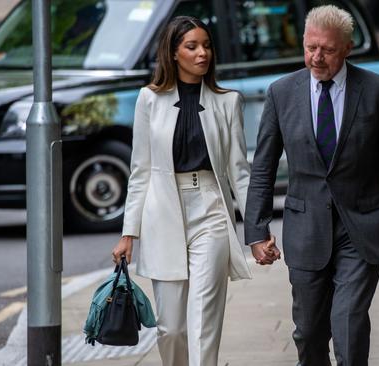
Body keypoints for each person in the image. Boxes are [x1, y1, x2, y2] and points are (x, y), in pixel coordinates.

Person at [244, 5, 379, 366]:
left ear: (347, 48)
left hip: (361, 227)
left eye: (328, 50)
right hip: (306, 230)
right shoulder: (281, 93)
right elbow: (263, 168)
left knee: (347, 322)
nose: (317, 57)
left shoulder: (376, 91)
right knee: (309, 332)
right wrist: (256, 232)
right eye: (310, 47)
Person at [111, 16, 265, 366]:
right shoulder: (148, 99)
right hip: (162, 214)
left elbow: (239, 173)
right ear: (173, 52)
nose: (202, 54)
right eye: (192, 46)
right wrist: (128, 233)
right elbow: (140, 171)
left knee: (202, 321)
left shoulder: (228, 102)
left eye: (207, 46)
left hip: (211, 210)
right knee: (171, 329)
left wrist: (257, 232)